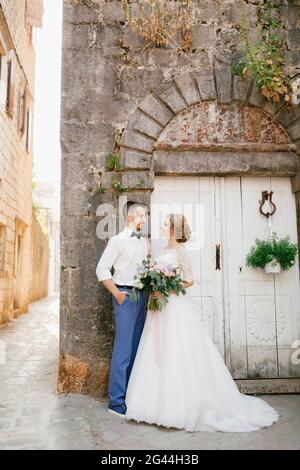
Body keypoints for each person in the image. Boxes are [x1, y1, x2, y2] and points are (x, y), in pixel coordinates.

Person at [124, 213, 279, 432]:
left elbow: (189, 280)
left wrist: (166, 287)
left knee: (177, 350)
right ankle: (152, 404)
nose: (162, 226)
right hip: (158, 308)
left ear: (173, 228)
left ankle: (178, 407)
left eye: (165, 224)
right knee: (157, 350)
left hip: (174, 307)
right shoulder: (164, 251)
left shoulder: (181, 252)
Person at [95, 202, 150, 416]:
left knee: (137, 348)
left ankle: (130, 396)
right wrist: (117, 294)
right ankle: (116, 403)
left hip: (143, 296)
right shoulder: (117, 241)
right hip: (125, 297)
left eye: (145, 216)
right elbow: (101, 269)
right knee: (123, 350)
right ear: (129, 217)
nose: (143, 219)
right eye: (140, 215)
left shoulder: (145, 242)